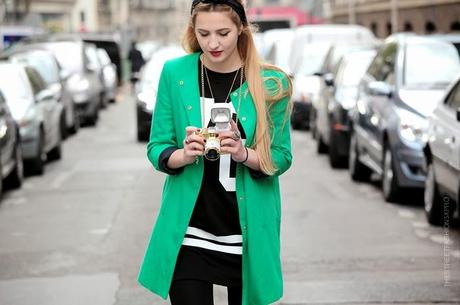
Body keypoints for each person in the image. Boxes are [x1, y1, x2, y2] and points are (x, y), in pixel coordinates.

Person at [138, 0, 292, 304]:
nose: (213, 43)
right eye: (204, 33)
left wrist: (242, 153)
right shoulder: (175, 73)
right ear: (193, 31)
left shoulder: (272, 83)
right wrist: (183, 154)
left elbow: (281, 157)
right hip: (190, 233)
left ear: (241, 29)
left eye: (223, 32)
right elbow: (157, 146)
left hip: (246, 237)